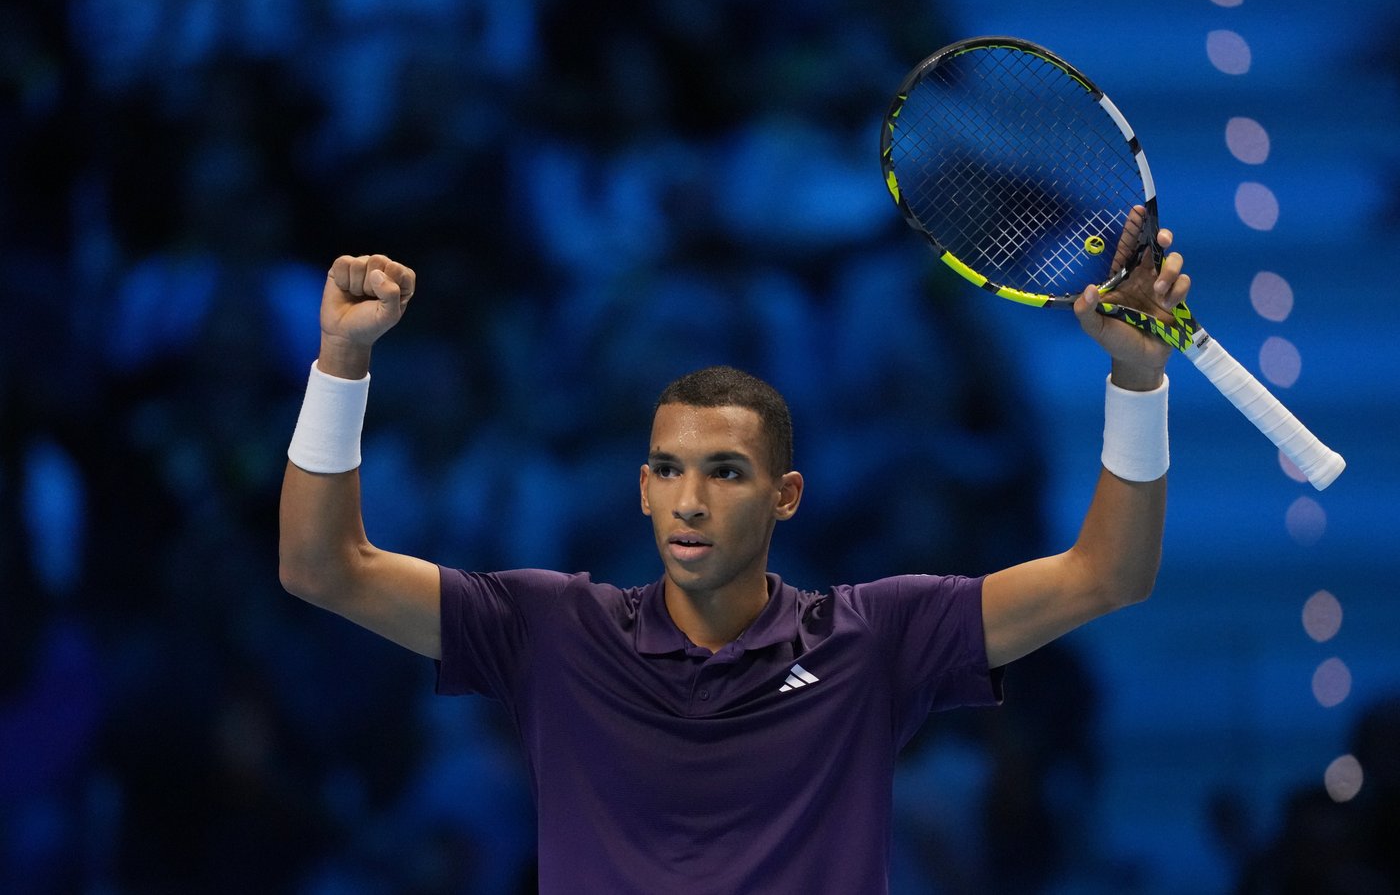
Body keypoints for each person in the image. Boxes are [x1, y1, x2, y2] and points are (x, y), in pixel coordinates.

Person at [278, 209, 1191, 893]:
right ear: (641, 489)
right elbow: (323, 567)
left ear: (785, 496)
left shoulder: (874, 637)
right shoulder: (549, 627)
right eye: (669, 469)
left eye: (725, 471)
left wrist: (1139, 377)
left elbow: (1107, 572)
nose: (691, 499)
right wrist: (339, 361)